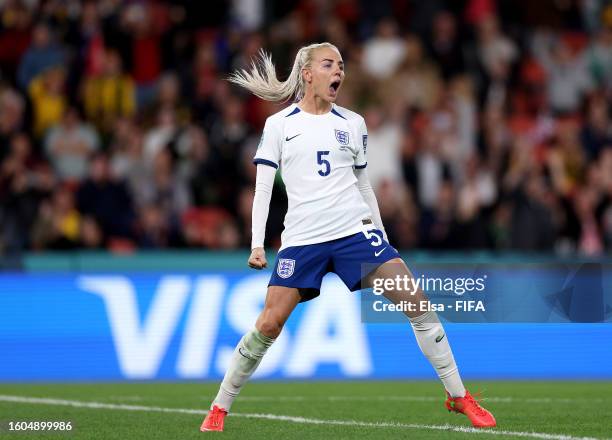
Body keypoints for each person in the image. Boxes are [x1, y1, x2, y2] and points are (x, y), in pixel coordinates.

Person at [200, 42, 496, 432]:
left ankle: (458, 396)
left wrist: (382, 236)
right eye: (329, 65)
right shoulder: (280, 125)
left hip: (353, 234)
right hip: (303, 239)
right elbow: (263, 190)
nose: (338, 71)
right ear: (307, 74)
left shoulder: (353, 123)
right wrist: (257, 244)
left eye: (341, 65)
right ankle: (220, 407)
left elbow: (364, 185)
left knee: (418, 303)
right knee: (269, 324)